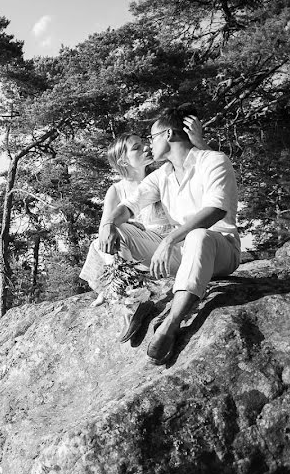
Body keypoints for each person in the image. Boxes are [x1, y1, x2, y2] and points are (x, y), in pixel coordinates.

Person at [101, 108, 240, 364]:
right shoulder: (161, 175)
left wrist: (169, 239)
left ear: (168, 134)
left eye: (152, 137)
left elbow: (215, 211)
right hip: (181, 253)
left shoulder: (213, 160)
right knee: (119, 230)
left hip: (221, 249)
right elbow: (130, 205)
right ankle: (134, 303)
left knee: (198, 235)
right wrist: (109, 223)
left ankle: (171, 325)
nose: (149, 144)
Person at [80, 118, 207, 341]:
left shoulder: (165, 174)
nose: (147, 147)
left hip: (175, 249)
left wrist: (198, 142)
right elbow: (105, 232)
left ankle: (122, 294)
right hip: (141, 258)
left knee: (117, 231)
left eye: (145, 142)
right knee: (106, 235)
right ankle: (131, 299)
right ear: (123, 160)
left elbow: (200, 169)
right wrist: (124, 225)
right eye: (137, 148)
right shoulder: (116, 190)